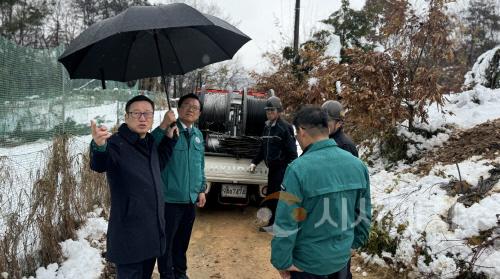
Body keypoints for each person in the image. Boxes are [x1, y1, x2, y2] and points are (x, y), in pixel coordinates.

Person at [271, 106, 371, 279]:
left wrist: (282, 260)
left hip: (307, 264)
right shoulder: (357, 165)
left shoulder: (298, 169)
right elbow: (363, 212)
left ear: (302, 131)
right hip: (340, 259)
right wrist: (354, 244)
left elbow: (287, 220)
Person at [89, 95, 178, 279]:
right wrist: (98, 146)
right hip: (130, 235)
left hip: (151, 233)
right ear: (126, 117)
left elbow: (158, 164)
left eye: (147, 113)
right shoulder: (115, 143)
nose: (142, 118)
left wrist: (170, 139)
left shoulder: (149, 142)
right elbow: (100, 164)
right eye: (136, 113)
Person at [153, 93, 206, 279]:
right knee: (166, 243)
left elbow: (200, 164)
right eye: (187, 105)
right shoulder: (169, 130)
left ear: (199, 114)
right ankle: (167, 275)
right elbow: (149, 147)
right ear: (179, 109)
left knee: (182, 242)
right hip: (170, 199)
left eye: (195, 107)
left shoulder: (198, 135)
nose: (191, 109)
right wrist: (163, 126)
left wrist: (201, 189)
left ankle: (181, 273)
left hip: (190, 200)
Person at [249, 96, 298, 232]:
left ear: (279, 111)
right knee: (271, 196)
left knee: (276, 198)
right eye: (267, 110)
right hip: (272, 169)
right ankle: (270, 223)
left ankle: (274, 225)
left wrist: (289, 171)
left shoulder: (285, 128)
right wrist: (254, 162)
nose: (269, 113)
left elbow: (292, 153)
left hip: (282, 169)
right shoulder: (267, 127)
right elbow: (262, 148)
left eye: (272, 110)